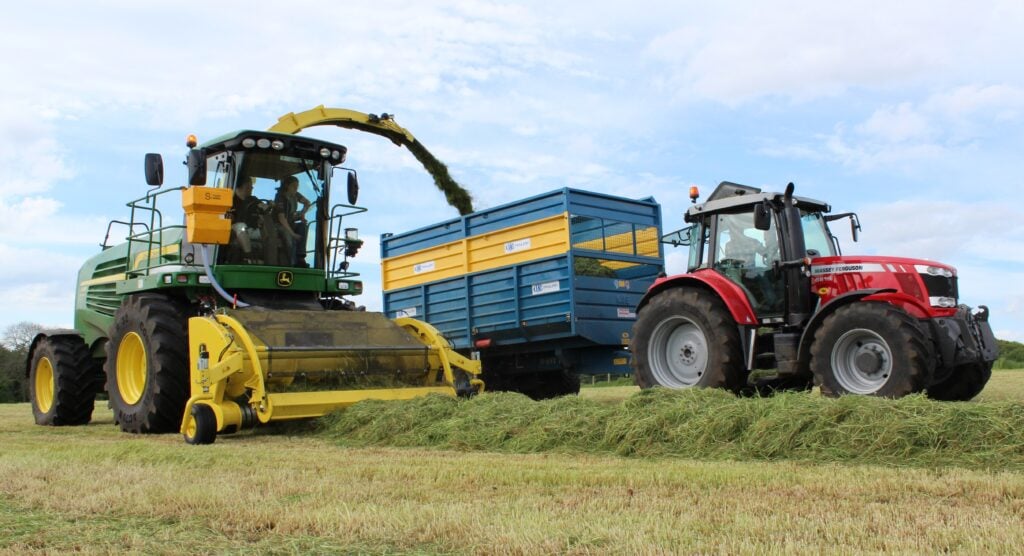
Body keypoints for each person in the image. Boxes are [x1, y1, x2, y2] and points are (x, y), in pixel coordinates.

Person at [275, 176, 311, 266]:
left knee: (303, 226)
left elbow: (307, 203)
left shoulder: (296, 195)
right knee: (289, 238)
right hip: (279, 225)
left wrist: (302, 214)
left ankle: (300, 257)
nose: (296, 188)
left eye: (297, 186)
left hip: (290, 223)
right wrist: (293, 234)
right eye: (294, 186)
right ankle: (292, 264)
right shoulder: (280, 197)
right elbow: (281, 218)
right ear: (287, 186)